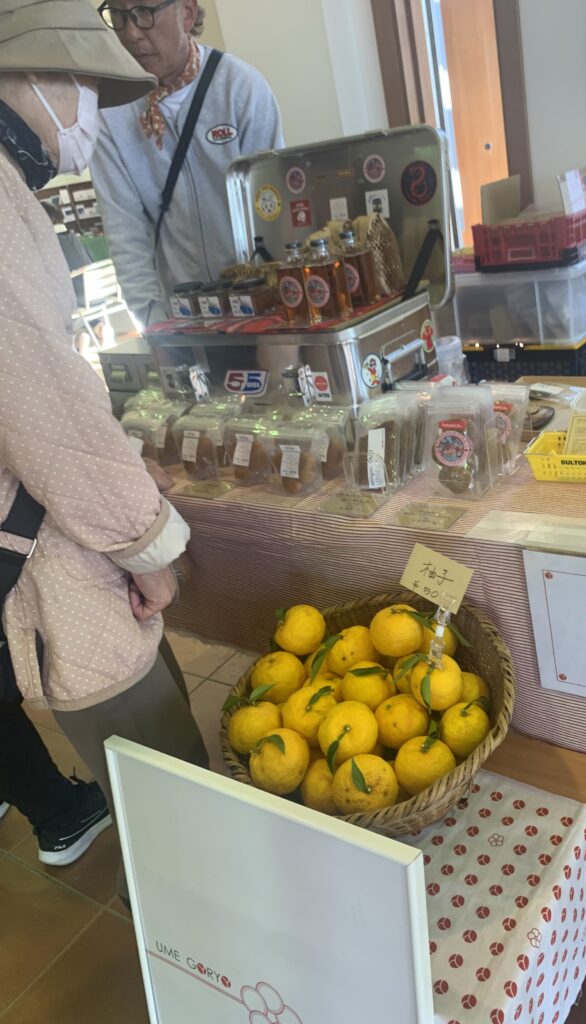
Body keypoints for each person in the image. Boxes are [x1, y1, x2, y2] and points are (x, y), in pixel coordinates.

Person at [0, 0, 208, 895]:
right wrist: (146, 543)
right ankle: (208, 903)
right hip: (46, 540)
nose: (86, 108)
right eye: (80, 83)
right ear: (29, 74)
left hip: (35, 510)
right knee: (157, 752)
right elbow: (44, 403)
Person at [90, 0, 284, 328]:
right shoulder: (111, 113)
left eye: (145, 12)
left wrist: (278, 316)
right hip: (182, 319)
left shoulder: (239, 88)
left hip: (262, 309)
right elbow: (125, 230)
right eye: (119, 15)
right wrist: (154, 324)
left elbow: (272, 213)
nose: (132, 32)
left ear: (187, 12)